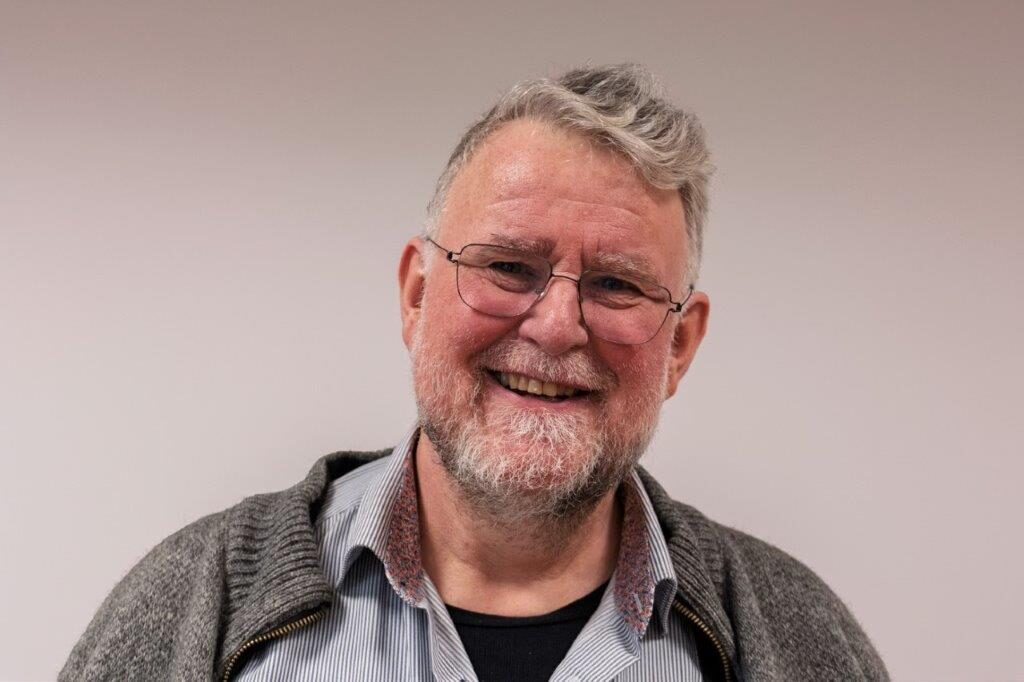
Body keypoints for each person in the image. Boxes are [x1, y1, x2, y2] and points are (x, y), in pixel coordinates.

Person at [61, 64, 888, 682]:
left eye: (616, 285)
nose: (557, 326)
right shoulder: (196, 602)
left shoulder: (801, 638)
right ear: (416, 295)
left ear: (679, 345)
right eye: (507, 266)